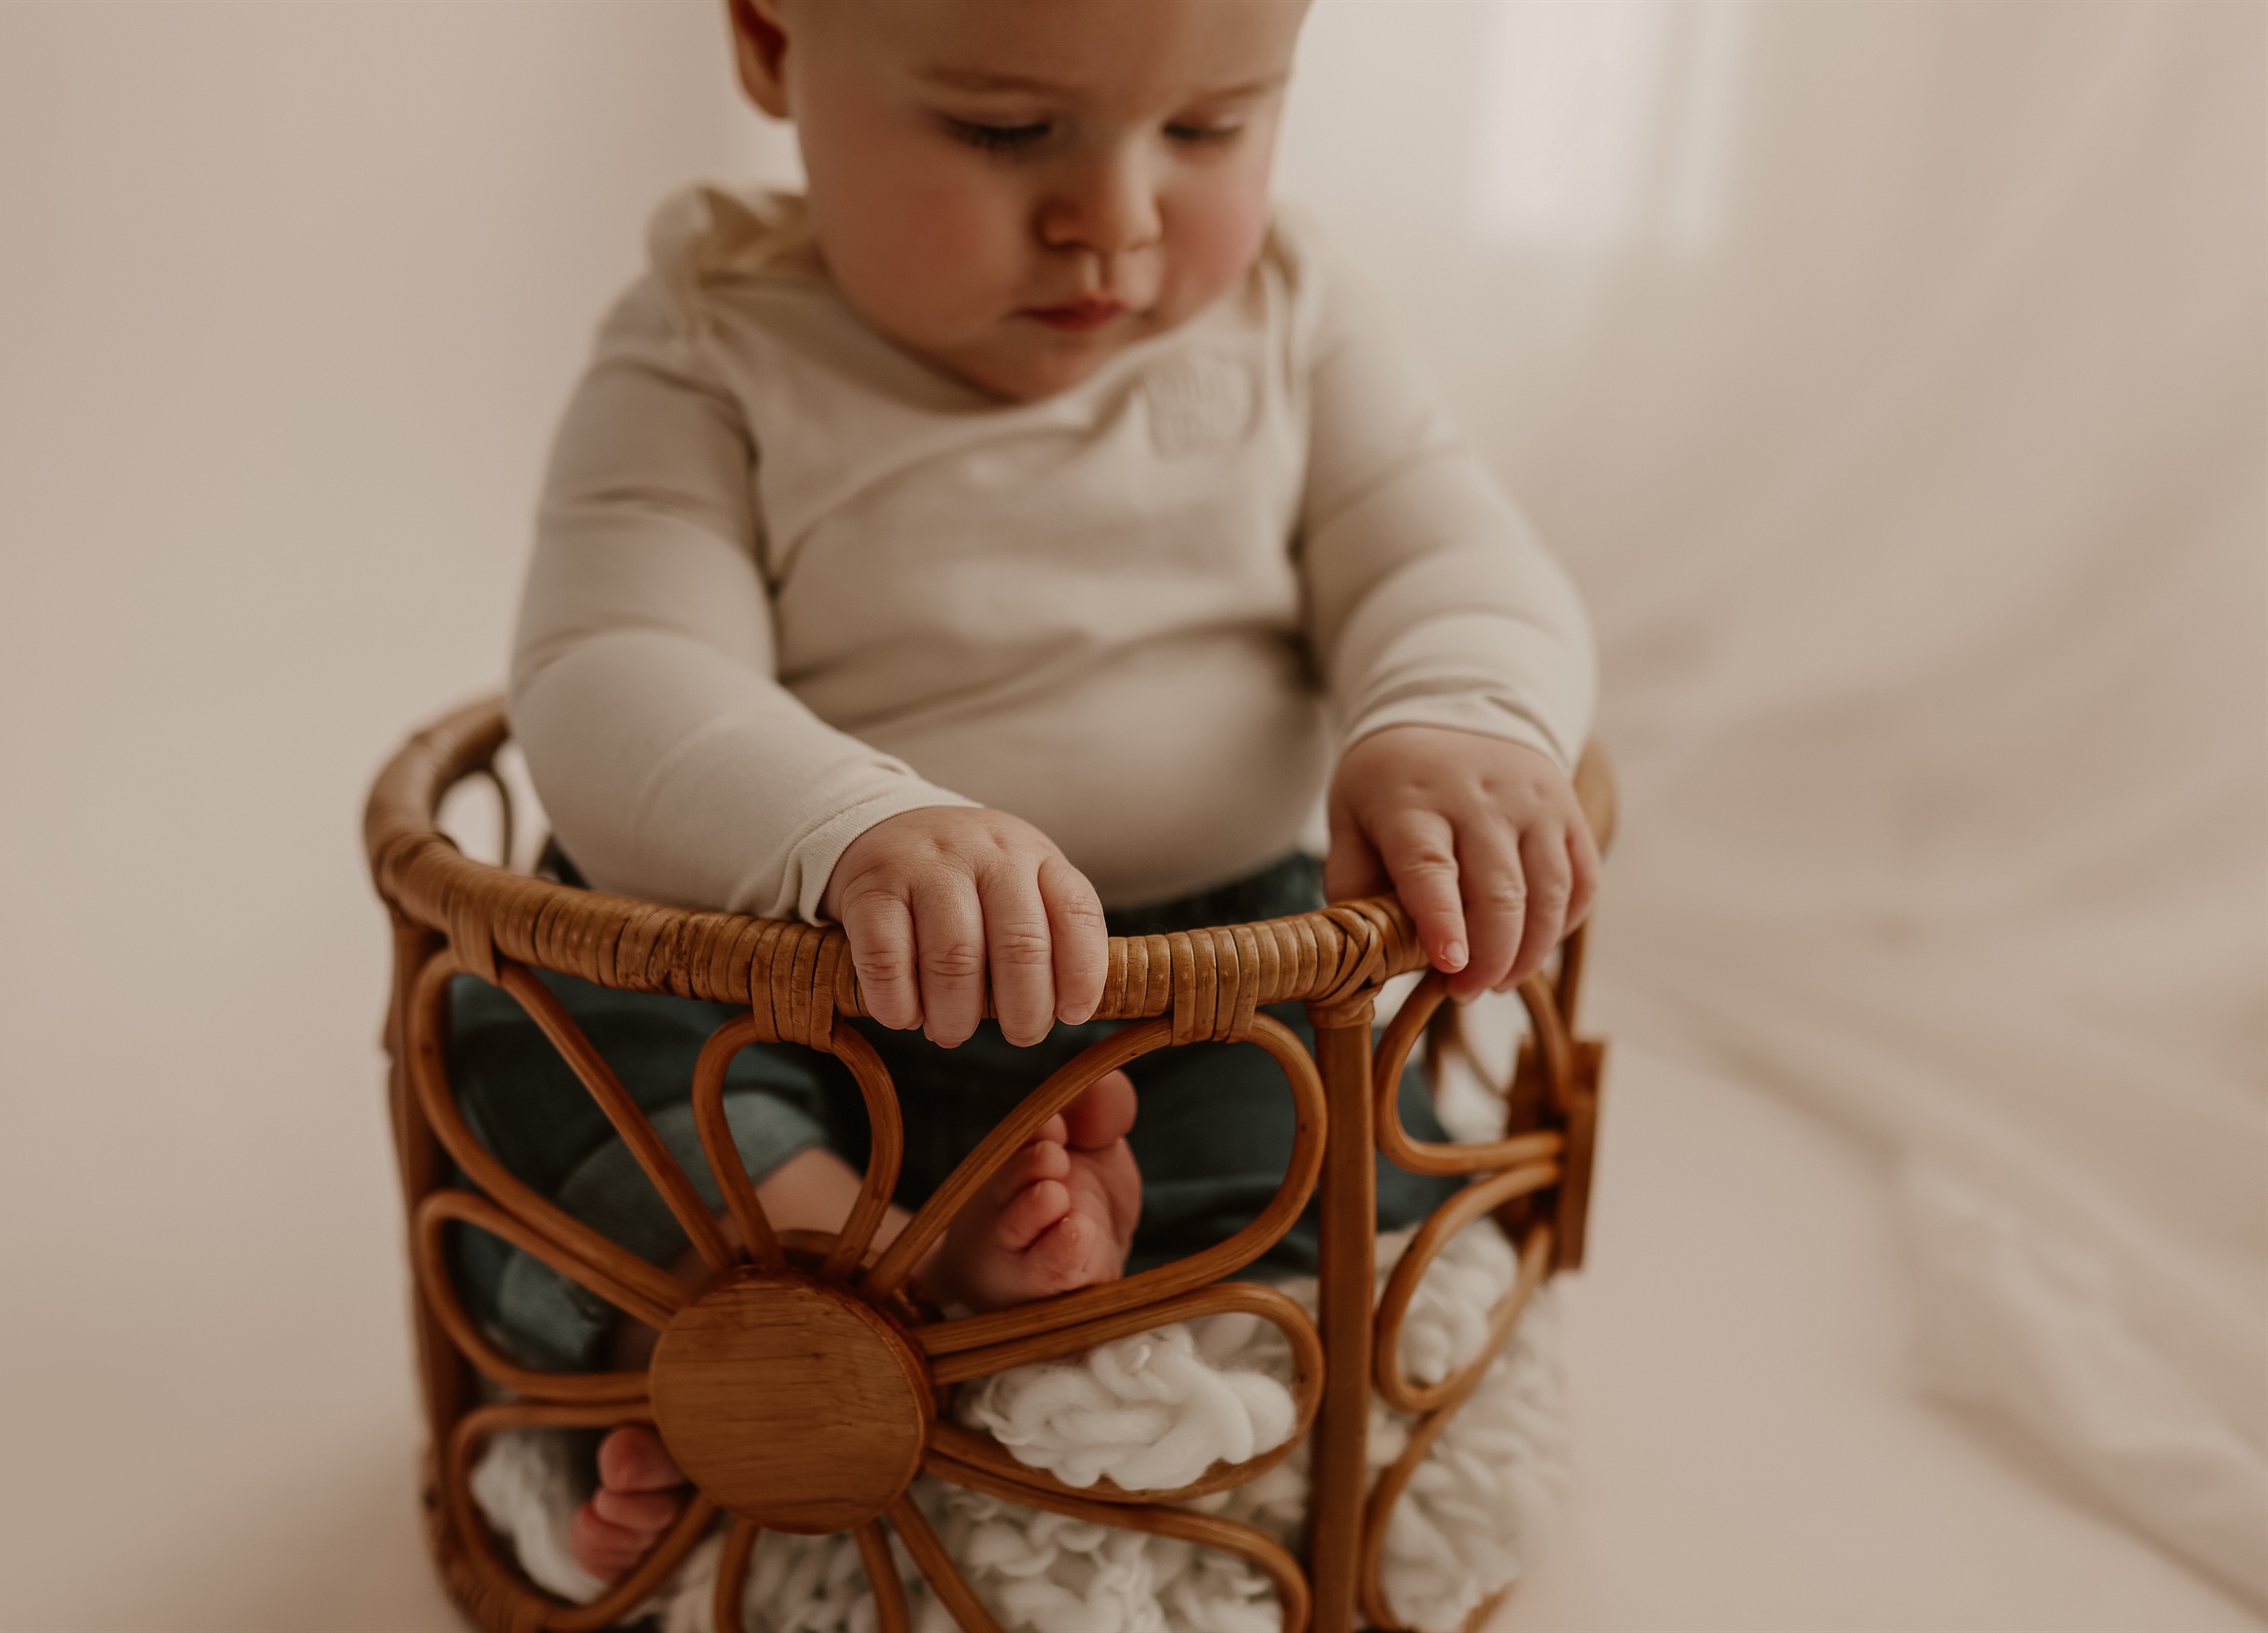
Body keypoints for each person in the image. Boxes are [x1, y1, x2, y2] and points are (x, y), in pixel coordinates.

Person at [455, 0, 1599, 1584]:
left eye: (1207, 129)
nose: (1113, 220)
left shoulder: (1293, 318)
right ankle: (823, 1280)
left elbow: (1448, 553)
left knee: (1322, 1129)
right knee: (530, 1031)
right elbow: (611, 664)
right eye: (1002, 130)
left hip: (1191, 994)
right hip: (784, 984)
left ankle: (1067, 1340)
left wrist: (1457, 714)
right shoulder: (710, 342)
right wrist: (846, 824)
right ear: (774, 42)